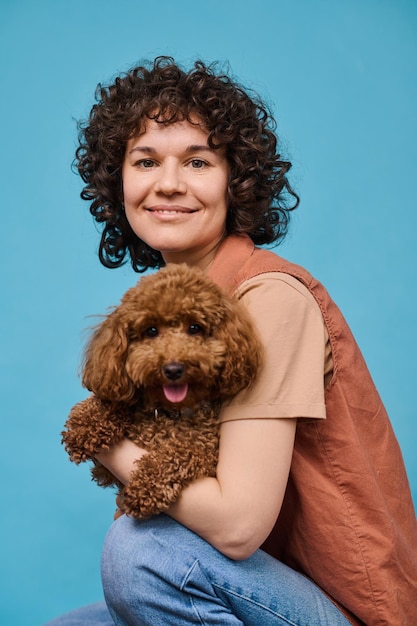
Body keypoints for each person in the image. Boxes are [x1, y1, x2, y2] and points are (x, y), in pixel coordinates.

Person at [46, 57, 417, 625]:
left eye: (197, 161)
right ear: (117, 181)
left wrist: (106, 444)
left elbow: (238, 528)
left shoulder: (269, 299)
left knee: (142, 551)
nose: (168, 183)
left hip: (342, 609)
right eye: (145, 161)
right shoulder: (177, 303)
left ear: (235, 178)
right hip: (257, 587)